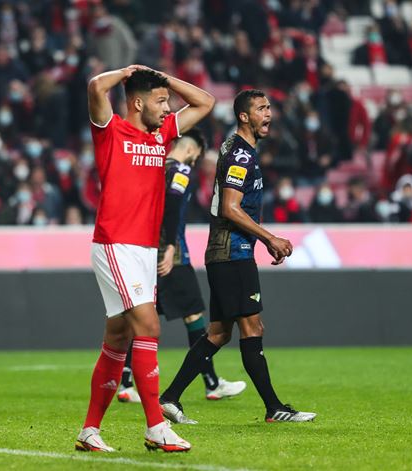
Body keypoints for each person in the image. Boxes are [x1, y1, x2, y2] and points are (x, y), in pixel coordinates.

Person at [75, 66, 214, 453]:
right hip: (115, 243)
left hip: (144, 249)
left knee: (118, 337)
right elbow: (94, 87)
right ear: (137, 103)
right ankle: (156, 425)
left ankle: (89, 431)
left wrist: (165, 80)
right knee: (148, 325)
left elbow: (206, 102)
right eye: (160, 101)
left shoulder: (162, 134)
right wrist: (127, 71)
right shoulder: (111, 129)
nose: (168, 107)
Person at [158, 89, 316, 426]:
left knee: (218, 333)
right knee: (251, 326)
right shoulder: (241, 156)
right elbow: (230, 207)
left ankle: (170, 398)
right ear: (244, 116)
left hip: (226, 252)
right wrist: (269, 237)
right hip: (232, 252)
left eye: (269, 107)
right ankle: (274, 408)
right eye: (261, 108)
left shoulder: (237, 149)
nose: (268, 114)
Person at [116, 131, 247, 405]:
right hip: (172, 256)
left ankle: (127, 382)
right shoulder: (181, 170)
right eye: (198, 155)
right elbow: (173, 208)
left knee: (140, 315)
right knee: (194, 316)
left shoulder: (153, 167)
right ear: (192, 151)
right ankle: (212, 383)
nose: (197, 160)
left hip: (145, 251)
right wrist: (172, 247)